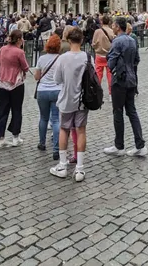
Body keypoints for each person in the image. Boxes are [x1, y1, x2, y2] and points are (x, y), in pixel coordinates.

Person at [50, 27, 89, 181]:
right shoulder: (87, 57)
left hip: (66, 99)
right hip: (82, 100)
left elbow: (57, 80)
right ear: (82, 40)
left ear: (68, 40)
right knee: (81, 131)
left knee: (64, 130)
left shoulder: (62, 58)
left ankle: (62, 165)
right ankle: (79, 169)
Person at [104, 16, 146, 157]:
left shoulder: (117, 41)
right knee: (132, 111)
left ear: (117, 26)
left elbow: (110, 63)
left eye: (114, 25)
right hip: (132, 79)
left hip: (120, 80)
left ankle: (119, 146)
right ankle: (140, 145)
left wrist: (113, 66)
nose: (112, 27)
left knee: (118, 112)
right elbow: (137, 60)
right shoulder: (132, 40)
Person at [0, 29, 28, 148]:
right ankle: (15, 137)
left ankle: (0, 138)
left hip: (3, 83)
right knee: (16, 110)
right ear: (19, 40)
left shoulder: (2, 49)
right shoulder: (19, 52)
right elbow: (25, 67)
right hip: (16, 84)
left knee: (2, 110)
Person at [34, 34, 62, 159]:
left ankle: (42, 142)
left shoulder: (41, 59)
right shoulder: (61, 59)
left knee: (43, 118)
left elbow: (36, 77)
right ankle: (56, 148)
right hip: (57, 90)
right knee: (56, 119)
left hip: (43, 91)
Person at [92, 15, 114, 92]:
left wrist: (97, 47)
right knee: (110, 74)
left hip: (99, 55)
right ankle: (111, 93)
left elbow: (93, 44)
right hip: (109, 56)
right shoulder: (111, 31)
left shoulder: (97, 32)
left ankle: (97, 91)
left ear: (101, 22)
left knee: (98, 74)